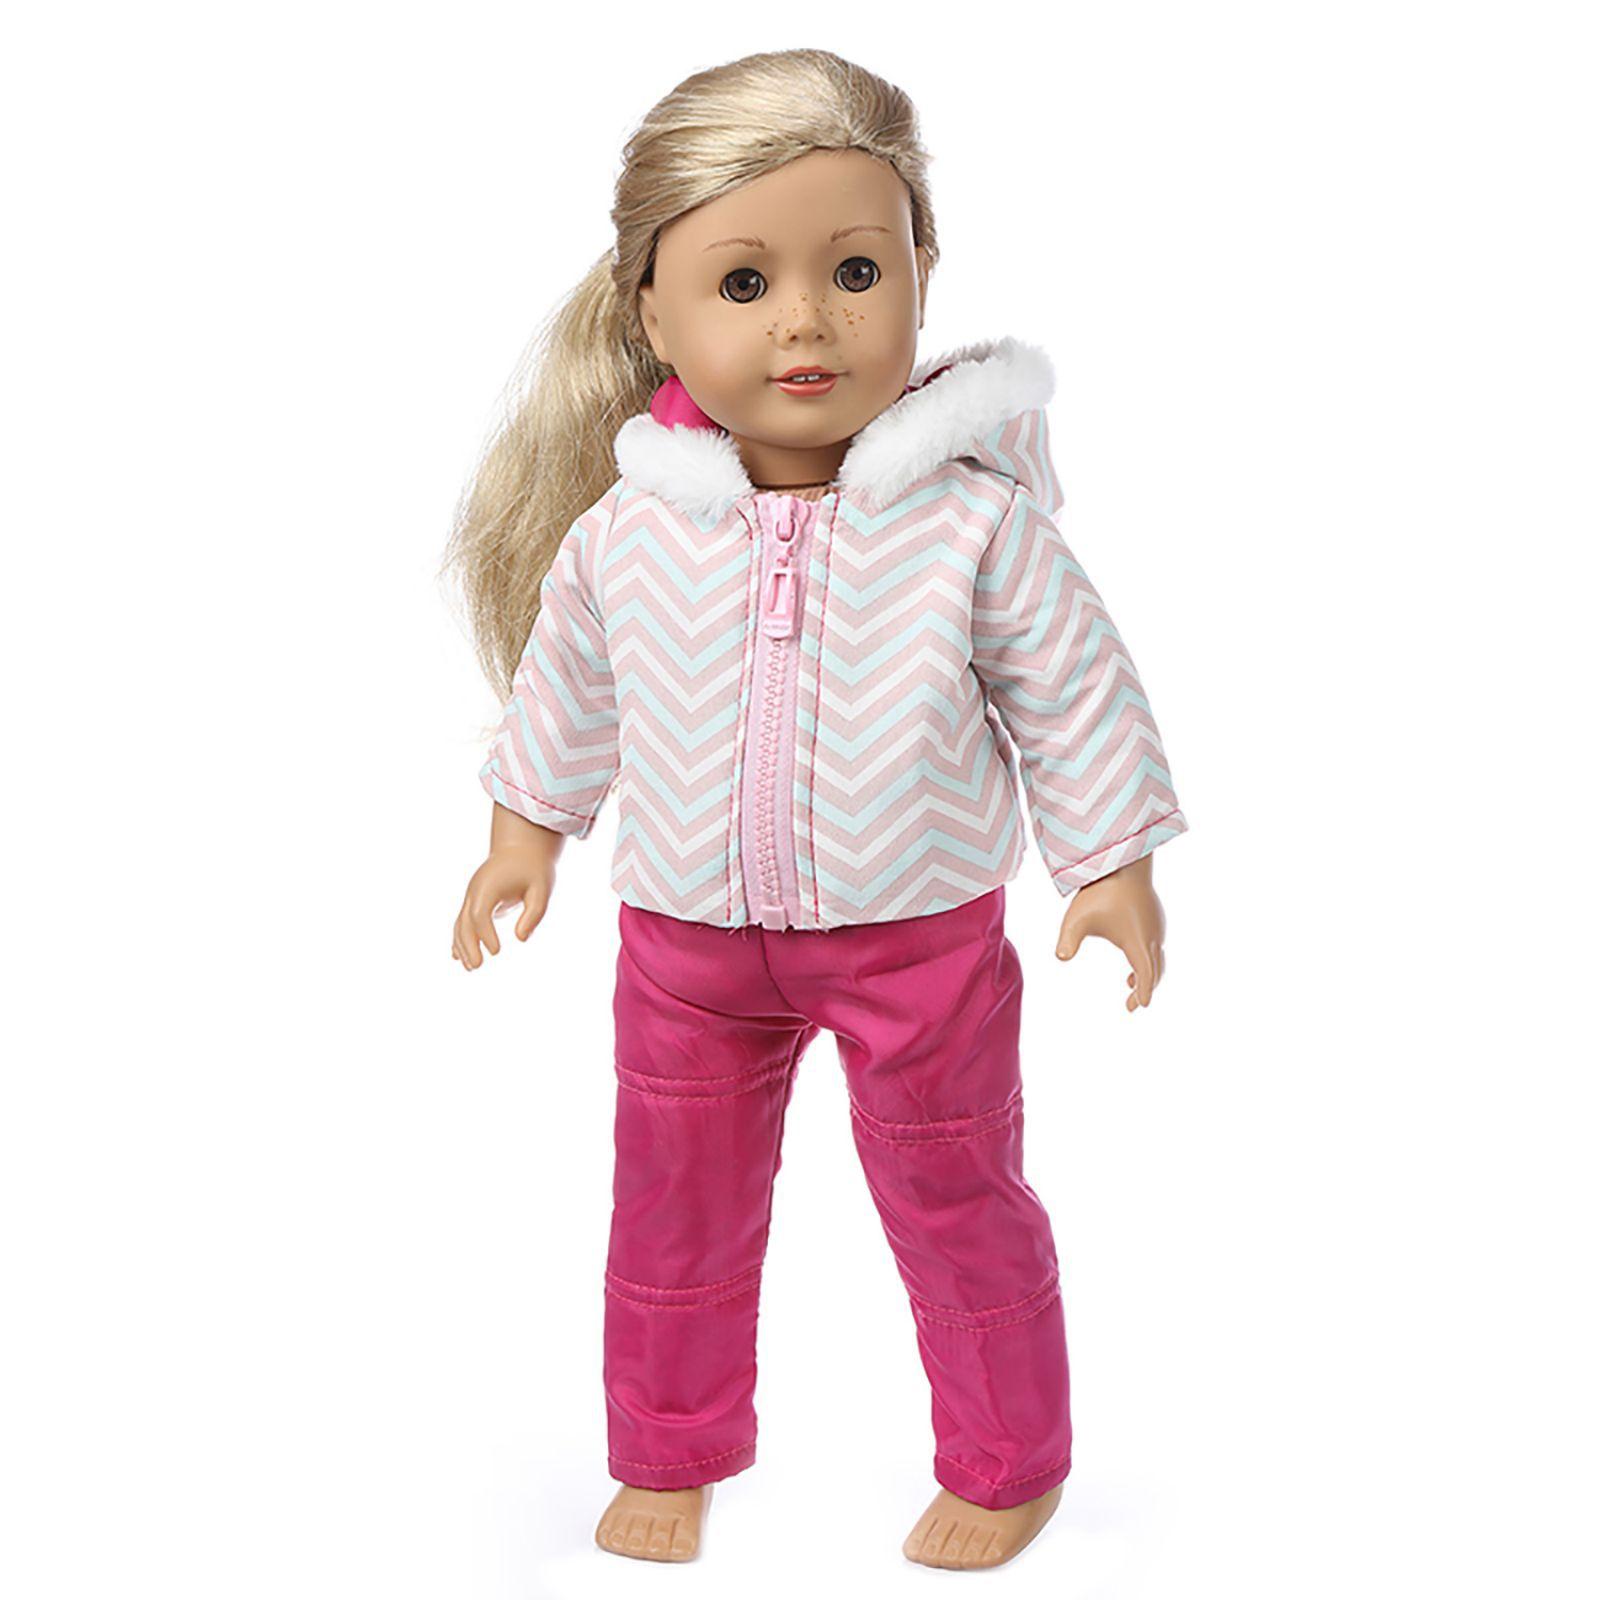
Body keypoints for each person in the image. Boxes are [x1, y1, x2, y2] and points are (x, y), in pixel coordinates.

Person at [444, 47, 1187, 1571]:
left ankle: (1010, 1460)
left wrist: (1108, 862)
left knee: (955, 1189)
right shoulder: (629, 530)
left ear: (921, 274)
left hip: (918, 937)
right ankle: (668, 1450)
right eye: (744, 282)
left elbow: (1070, 688)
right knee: (674, 1207)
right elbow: (570, 686)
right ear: (650, 313)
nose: (804, 318)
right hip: (685, 944)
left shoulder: (971, 522)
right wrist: (525, 832)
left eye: (856, 270)